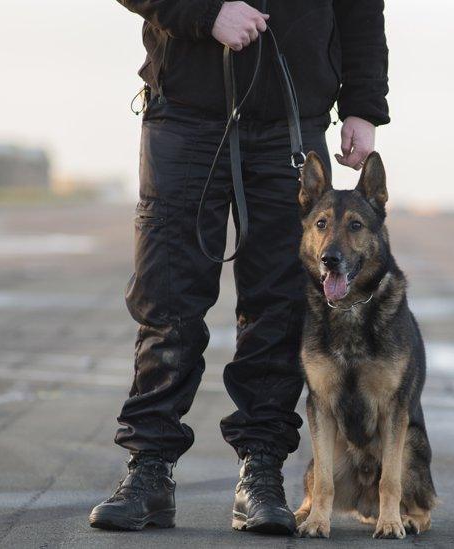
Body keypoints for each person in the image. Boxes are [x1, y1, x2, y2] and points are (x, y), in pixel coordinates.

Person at [89, 0, 389, 535]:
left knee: (280, 304)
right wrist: (207, 15)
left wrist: (363, 105)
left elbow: (361, 9)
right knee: (167, 297)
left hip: (291, 123)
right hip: (183, 116)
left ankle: (262, 471)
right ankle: (149, 469)